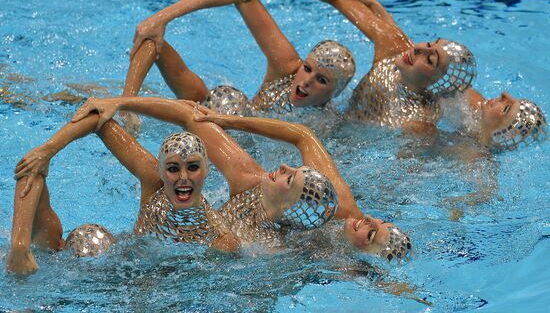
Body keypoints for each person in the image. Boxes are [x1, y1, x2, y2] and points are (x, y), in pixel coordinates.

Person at [72, 96, 412, 261]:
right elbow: (193, 119)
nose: (283, 167)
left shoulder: (273, 248)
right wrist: (119, 102)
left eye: (370, 235)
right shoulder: (333, 204)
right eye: (375, 223)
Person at [220, 0, 478, 134]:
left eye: (430, 59)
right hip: (329, 124)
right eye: (429, 43)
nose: (419, 48)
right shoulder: (395, 51)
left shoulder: (421, 123)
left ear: (436, 81)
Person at [7, 113, 239, 275]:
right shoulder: (153, 181)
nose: (183, 177)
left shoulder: (221, 240)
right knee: (85, 237)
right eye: (173, 168)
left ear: (208, 169)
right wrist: (48, 150)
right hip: (108, 267)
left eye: (193, 167)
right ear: (160, 169)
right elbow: (98, 119)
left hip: (137, 291)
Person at [120, 0, 356, 133]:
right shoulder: (286, 68)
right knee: (225, 101)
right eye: (308, 68)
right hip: (217, 123)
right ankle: (124, 107)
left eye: (321, 80)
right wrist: (162, 18)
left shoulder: (328, 127)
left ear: (334, 93)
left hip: (236, 154)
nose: (306, 81)